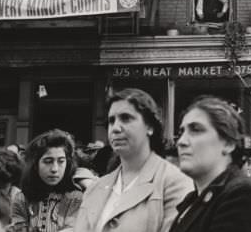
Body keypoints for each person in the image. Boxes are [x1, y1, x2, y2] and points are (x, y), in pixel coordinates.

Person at [75, 88, 192, 232]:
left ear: (150, 126)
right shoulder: (95, 188)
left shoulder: (174, 183)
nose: (115, 128)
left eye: (126, 118)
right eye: (111, 121)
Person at [169, 96, 251, 232]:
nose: (181, 141)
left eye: (196, 130)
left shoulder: (242, 195)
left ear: (228, 144)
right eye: (181, 132)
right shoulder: (193, 200)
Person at [11, 129, 83, 232]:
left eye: (61, 161)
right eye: (48, 161)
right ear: (35, 164)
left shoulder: (75, 198)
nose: (55, 169)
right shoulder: (21, 199)